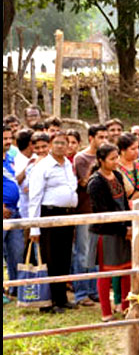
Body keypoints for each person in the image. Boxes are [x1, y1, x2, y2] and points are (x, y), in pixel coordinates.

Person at [29, 131, 78, 313]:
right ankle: (48, 302)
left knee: (64, 258)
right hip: (49, 215)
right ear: (50, 145)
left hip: (67, 215)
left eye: (63, 143)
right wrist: (34, 228)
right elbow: (35, 198)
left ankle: (61, 298)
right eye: (56, 143)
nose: (59, 146)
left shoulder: (67, 165)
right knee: (50, 259)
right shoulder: (42, 167)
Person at [86, 144, 132, 322]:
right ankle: (106, 312)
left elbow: (124, 203)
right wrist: (123, 229)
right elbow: (103, 210)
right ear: (101, 160)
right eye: (112, 159)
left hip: (123, 230)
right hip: (106, 232)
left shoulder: (118, 175)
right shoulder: (96, 182)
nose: (116, 162)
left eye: (116, 158)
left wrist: (128, 225)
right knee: (106, 273)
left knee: (127, 270)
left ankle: (126, 306)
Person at [72, 125, 109, 307]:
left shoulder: (107, 157)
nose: (104, 140)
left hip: (99, 212)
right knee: (82, 252)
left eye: (105, 137)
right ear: (91, 138)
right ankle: (81, 292)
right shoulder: (81, 158)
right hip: (85, 211)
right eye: (100, 137)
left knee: (94, 254)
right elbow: (85, 183)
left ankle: (94, 290)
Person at [3, 125, 24, 301]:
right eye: (4, 139)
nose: (8, 141)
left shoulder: (10, 157)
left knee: (16, 251)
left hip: (15, 212)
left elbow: (13, 181)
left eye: (10, 138)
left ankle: (15, 287)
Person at [117, 133, 139, 203]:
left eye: (137, 148)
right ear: (122, 151)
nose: (137, 151)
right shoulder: (116, 168)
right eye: (133, 149)